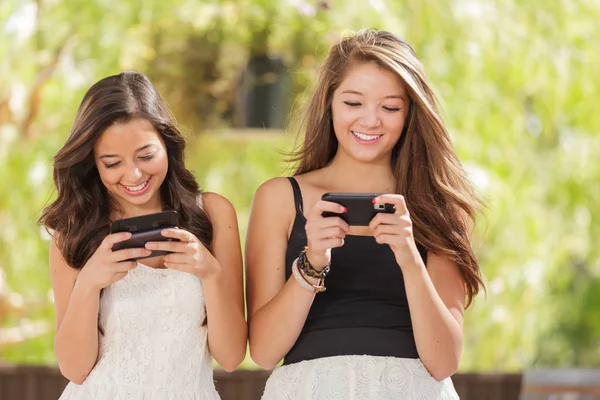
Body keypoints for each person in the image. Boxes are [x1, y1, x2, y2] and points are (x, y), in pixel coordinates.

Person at [245, 29, 484, 399]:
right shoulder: (279, 199)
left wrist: (409, 258)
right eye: (353, 103)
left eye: (390, 107)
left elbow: (444, 361)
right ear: (329, 103)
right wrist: (311, 263)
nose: (370, 121)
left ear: (409, 113)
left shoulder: (439, 208)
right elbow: (263, 352)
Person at [39, 71, 247, 400]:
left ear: (168, 144)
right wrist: (90, 282)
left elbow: (233, 357)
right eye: (112, 163)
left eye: (146, 156)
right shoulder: (74, 231)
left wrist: (210, 272)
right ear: (93, 162)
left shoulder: (214, 214)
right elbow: (75, 368)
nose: (134, 175)